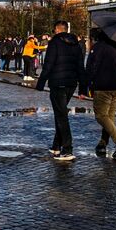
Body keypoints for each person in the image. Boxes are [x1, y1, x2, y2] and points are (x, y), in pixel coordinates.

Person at [35, 20, 85, 161]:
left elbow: (48, 64)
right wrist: (82, 88)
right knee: (60, 113)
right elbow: (81, 66)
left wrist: (40, 83)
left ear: (57, 30)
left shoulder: (55, 43)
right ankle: (56, 146)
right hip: (71, 83)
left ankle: (67, 149)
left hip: (57, 83)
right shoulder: (76, 44)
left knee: (62, 116)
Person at [84, 28, 116, 158]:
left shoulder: (98, 48)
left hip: (102, 86)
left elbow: (90, 68)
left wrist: (87, 85)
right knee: (109, 118)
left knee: (100, 116)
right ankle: (102, 144)